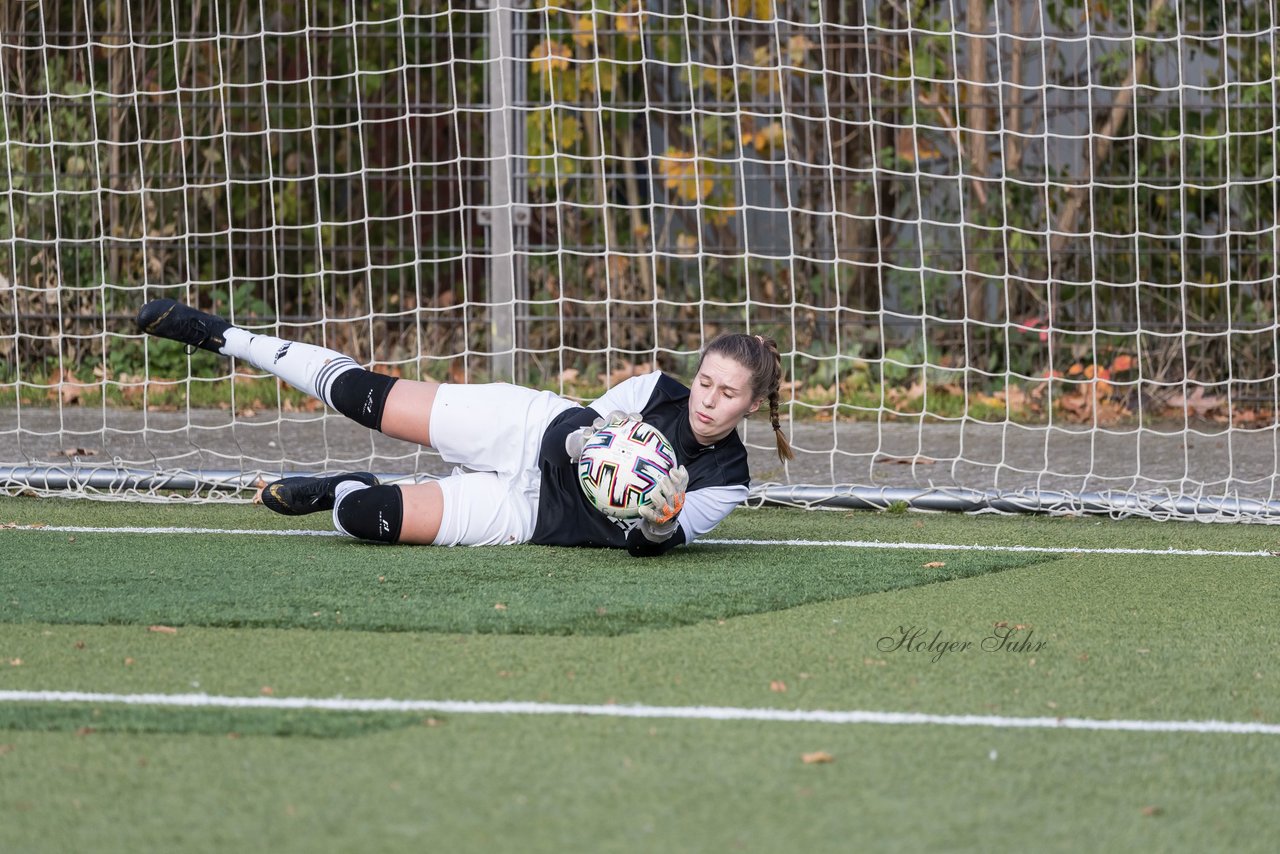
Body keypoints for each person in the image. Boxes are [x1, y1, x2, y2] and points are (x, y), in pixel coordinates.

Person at [135, 298, 793, 557]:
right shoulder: (657, 390)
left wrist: (657, 512)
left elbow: (657, 546)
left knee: (367, 518)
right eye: (706, 381)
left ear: (750, 404)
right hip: (523, 428)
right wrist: (593, 445)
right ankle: (226, 336)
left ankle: (341, 487)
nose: (708, 400)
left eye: (727, 394)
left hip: (533, 516)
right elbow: (587, 427)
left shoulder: (727, 481)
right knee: (365, 396)